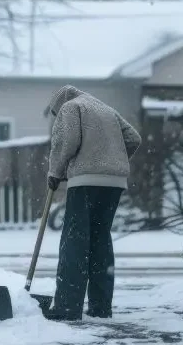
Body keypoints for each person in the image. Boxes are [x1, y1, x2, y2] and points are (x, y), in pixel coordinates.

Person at [42, 85, 141, 321]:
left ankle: (67, 306)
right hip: (115, 181)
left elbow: (66, 141)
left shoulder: (69, 107)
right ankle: (100, 306)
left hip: (85, 180)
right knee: (100, 239)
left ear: (58, 105)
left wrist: (55, 172)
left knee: (75, 241)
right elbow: (133, 138)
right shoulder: (105, 108)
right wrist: (112, 159)